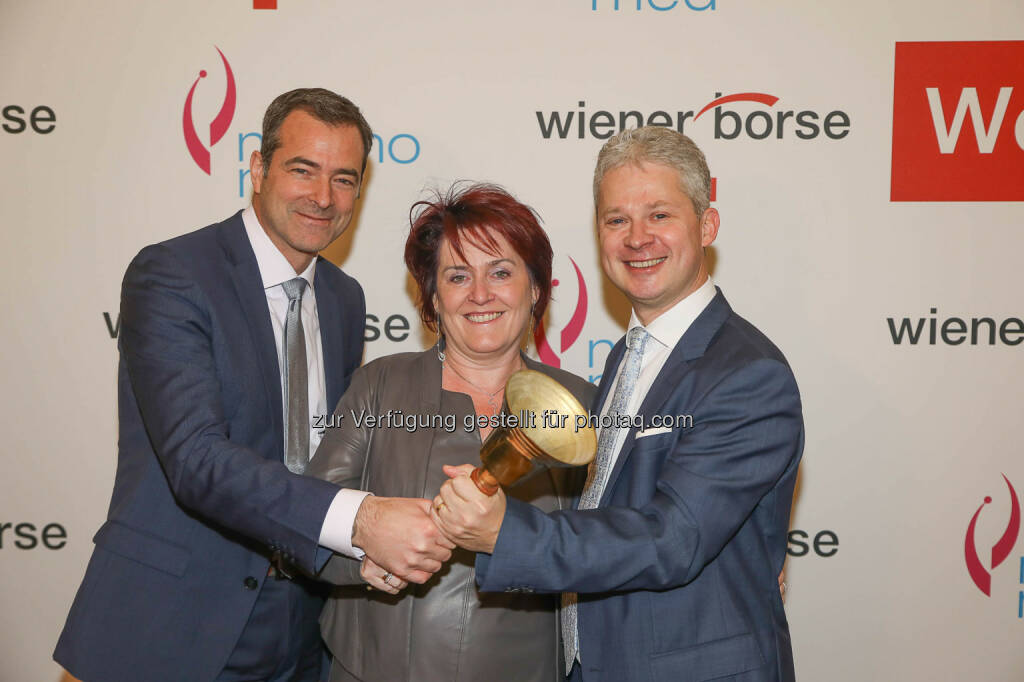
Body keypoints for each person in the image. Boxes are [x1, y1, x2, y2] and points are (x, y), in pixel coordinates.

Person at [54, 89, 453, 682]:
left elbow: (327, 461)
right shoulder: (173, 274)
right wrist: (363, 521)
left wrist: (367, 549)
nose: (323, 197)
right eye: (302, 170)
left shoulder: (345, 299)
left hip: (305, 620)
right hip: (176, 618)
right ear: (259, 168)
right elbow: (195, 459)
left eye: (344, 179)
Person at [433, 127, 804, 682]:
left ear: (707, 225)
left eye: (659, 215)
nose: (637, 238)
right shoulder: (626, 358)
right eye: (616, 220)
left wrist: (504, 533)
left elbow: (673, 538)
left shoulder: (748, 374)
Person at [306, 183, 596, 682]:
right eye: (458, 276)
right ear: (434, 298)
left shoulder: (582, 405)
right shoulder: (380, 384)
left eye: (501, 272)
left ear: (535, 289)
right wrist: (362, 560)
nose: (480, 294)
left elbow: (607, 550)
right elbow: (304, 518)